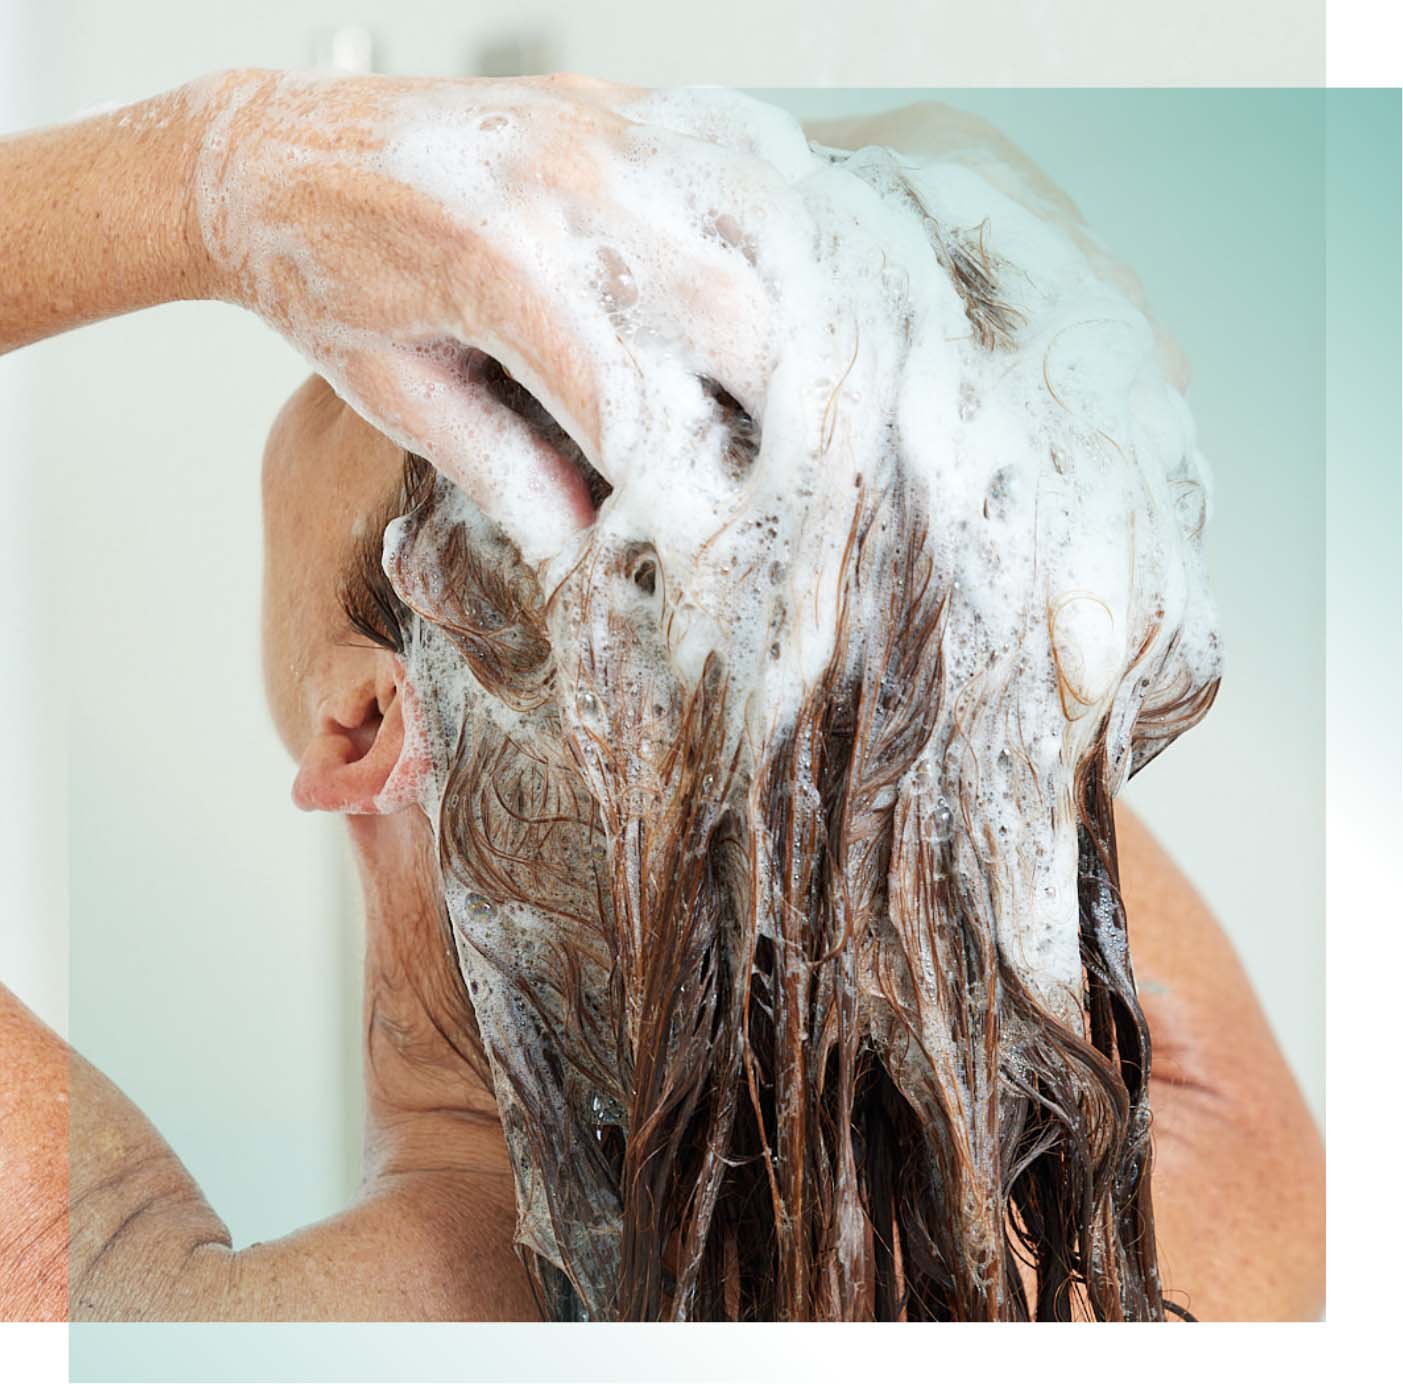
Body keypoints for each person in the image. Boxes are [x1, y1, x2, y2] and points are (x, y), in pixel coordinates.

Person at [0, 70, 1323, 1322]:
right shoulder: (1199, 1230)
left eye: (441, 368)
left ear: (367, 722)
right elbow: (927, 711)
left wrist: (219, 173)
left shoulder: (174, 1318)